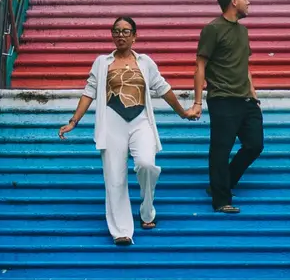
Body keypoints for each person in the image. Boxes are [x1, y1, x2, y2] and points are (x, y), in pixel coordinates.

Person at [58, 14, 195, 246]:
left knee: (147, 164)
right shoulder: (102, 63)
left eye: (125, 31)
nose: (120, 35)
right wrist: (74, 121)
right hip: (112, 122)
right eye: (116, 31)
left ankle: (147, 207)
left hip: (140, 120)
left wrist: (182, 112)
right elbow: (89, 92)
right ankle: (121, 230)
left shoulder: (145, 62)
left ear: (135, 36)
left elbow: (162, 88)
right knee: (115, 177)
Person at [193, 0, 263, 216]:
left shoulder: (243, 31)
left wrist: (253, 94)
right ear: (234, 2)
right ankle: (222, 199)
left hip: (245, 99)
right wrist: (197, 101)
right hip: (222, 98)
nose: (249, 1)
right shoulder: (212, 29)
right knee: (220, 150)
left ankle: (222, 183)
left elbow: (244, 65)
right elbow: (200, 65)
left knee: (255, 144)